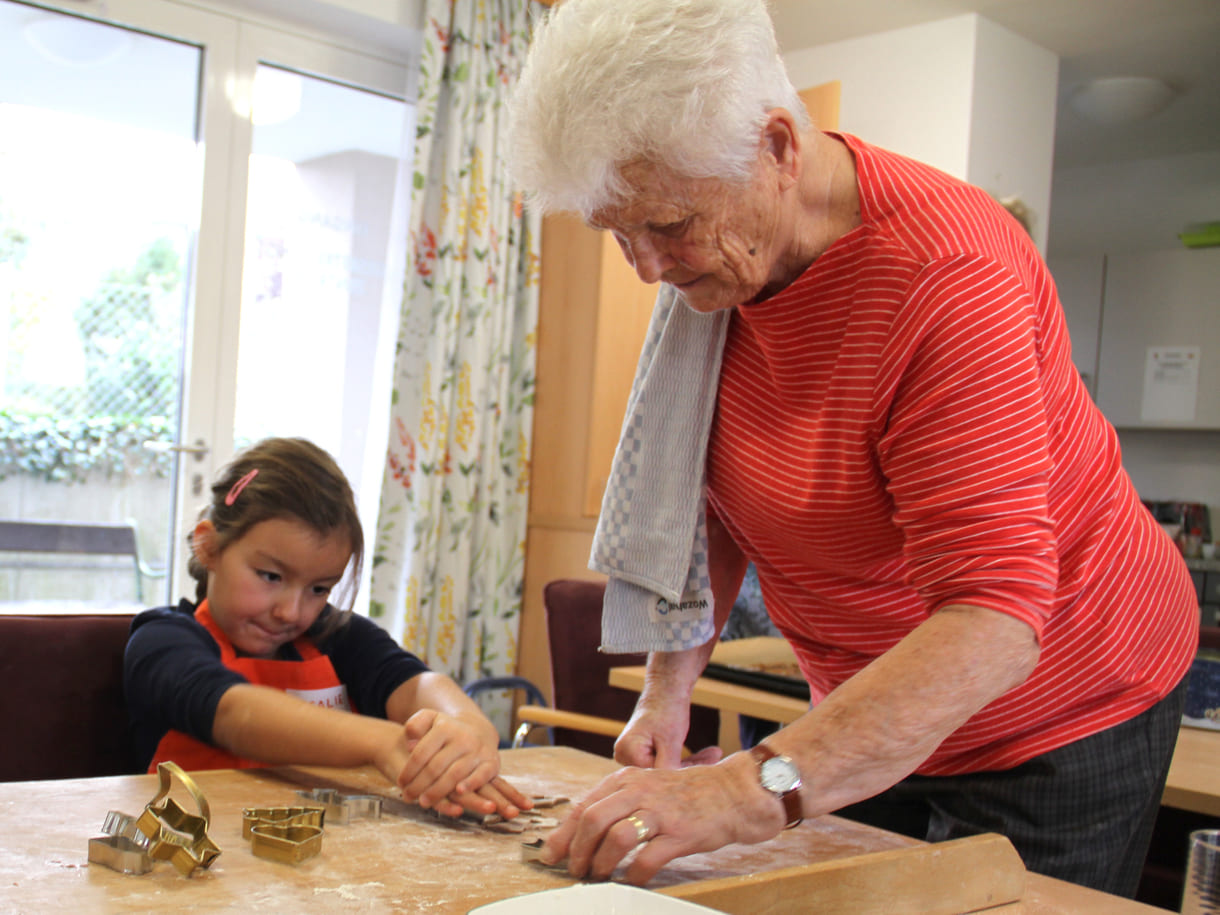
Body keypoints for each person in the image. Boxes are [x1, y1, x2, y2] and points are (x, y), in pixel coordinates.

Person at [506, 0, 1198, 896]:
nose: (647, 268)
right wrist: (666, 690)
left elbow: (992, 618)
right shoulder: (719, 269)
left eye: (667, 226)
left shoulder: (949, 273)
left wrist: (747, 789)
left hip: (1065, 701)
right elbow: (703, 500)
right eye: (617, 231)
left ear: (780, 149)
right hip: (874, 706)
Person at [124, 437, 530, 820]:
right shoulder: (163, 639)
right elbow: (234, 713)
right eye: (270, 576)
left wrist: (469, 729)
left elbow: (415, 684)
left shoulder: (337, 636)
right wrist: (381, 742)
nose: (291, 612)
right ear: (209, 547)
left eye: (319, 588)